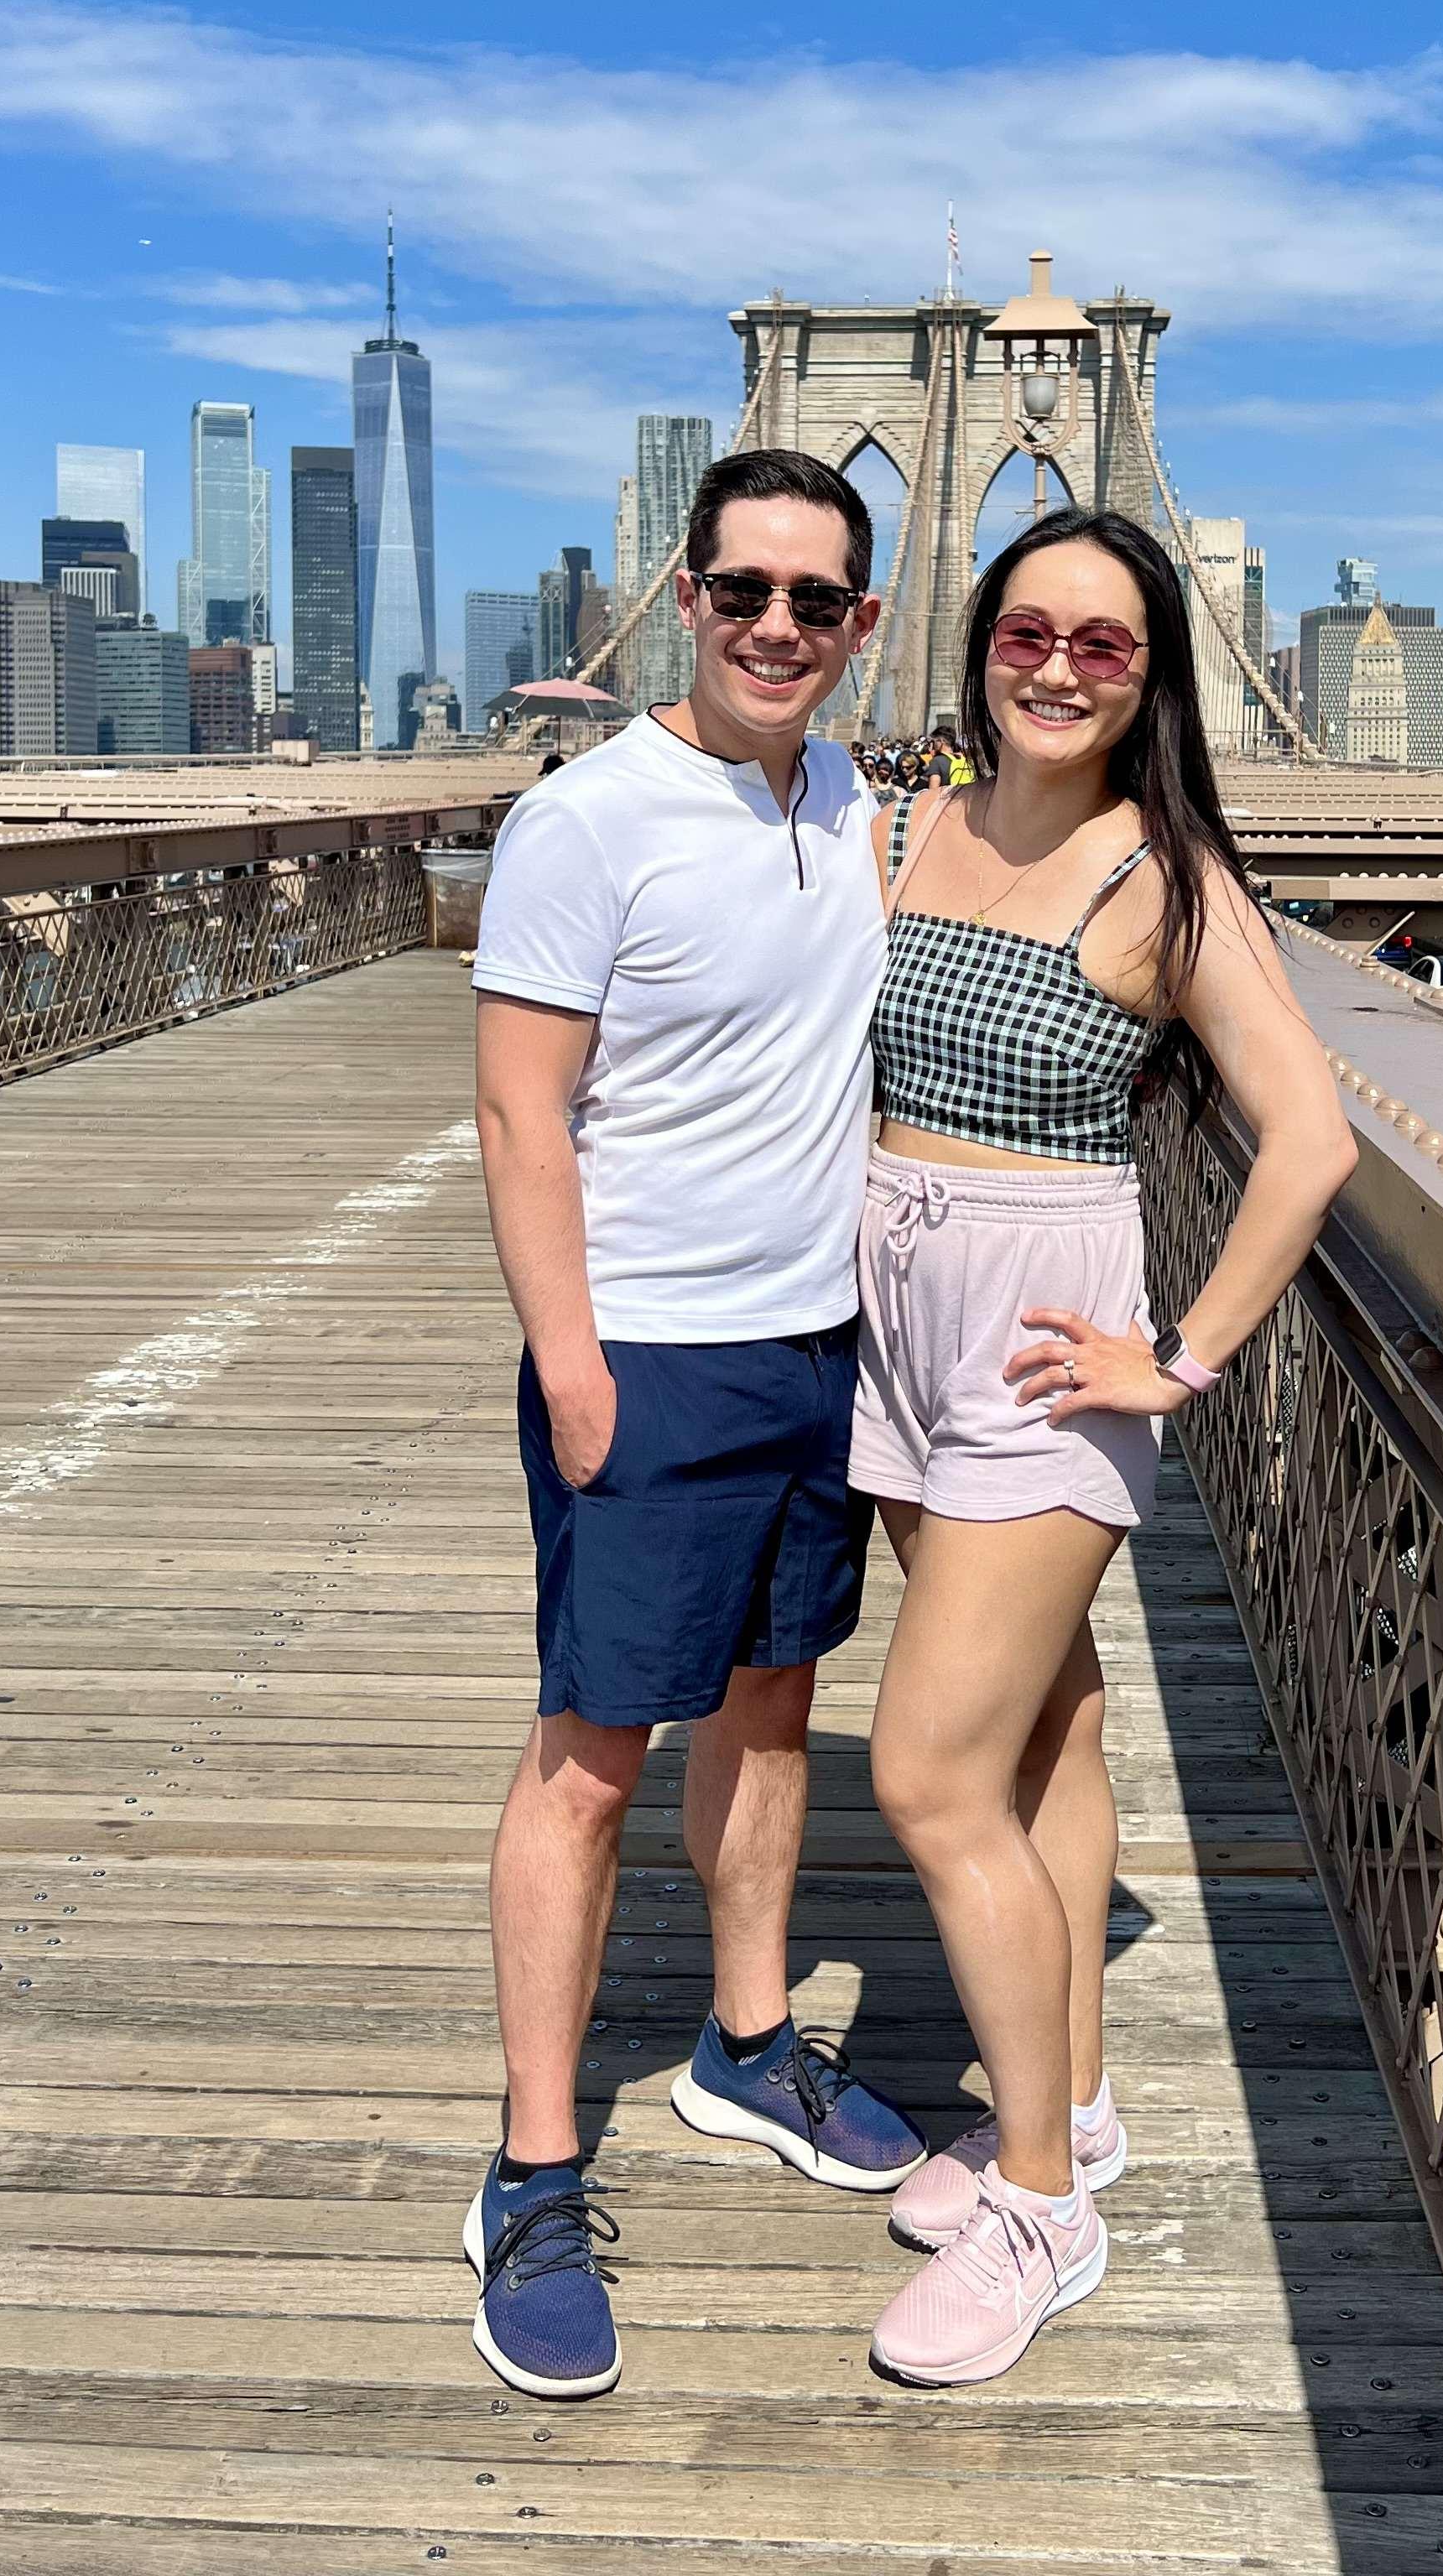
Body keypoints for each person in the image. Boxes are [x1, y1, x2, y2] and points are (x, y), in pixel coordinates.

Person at [849, 508, 1356, 2388]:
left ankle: (1045, 2202)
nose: (1060, 666)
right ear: (980, 643)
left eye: (1108, 646)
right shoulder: (902, 827)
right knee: (1045, 1725)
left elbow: (1309, 1141)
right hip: (882, 1318)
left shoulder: (1173, 884)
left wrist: (1184, 1357)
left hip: (1041, 1337)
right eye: (1031, 630)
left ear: (1153, 681)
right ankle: (1077, 2092)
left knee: (924, 1772)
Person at [462, 446, 924, 2401]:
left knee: (771, 1705)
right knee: (590, 1754)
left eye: (817, 601)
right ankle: (533, 2168)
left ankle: (745, 2049)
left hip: (820, 1348)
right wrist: (573, 1363)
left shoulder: (859, 802)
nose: (775, 627)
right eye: (744, 590)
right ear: (684, 590)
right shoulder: (586, 821)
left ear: (863, 626)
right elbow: (517, 1117)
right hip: (646, 1354)